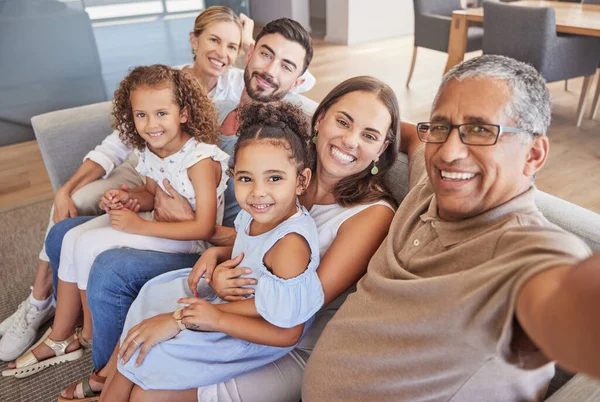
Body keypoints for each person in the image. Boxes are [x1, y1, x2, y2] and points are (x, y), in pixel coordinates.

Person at [51, 74, 407, 402]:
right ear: (322, 116)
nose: (349, 140)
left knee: (151, 385)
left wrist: (185, 317)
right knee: (150, 297)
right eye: (343, 122)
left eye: (369, 135)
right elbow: (254, 241)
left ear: (383, 148)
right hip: (244, 294)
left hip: (285, 335)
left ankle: (121, 380)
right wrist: (217, 256)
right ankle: (111, 379)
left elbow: (291, 310)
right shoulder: (285, 168)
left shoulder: (371, 214)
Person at [39, 17, 321, 401]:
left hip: (204, 245)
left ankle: (108, 371)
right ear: (249, 52)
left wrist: (212, 244)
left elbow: (261, 234)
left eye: (287, 66)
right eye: (266, 54)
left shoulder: (287, 147)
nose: (271, 70)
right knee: (61, 233)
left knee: (111, 269)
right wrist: (139, 197)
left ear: (300, 80)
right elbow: (159, 158)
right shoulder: (211, 105)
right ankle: (64, 327)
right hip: (215, 246)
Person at [302, 55, 600, 401]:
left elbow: (560, 298)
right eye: (441, 127)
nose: (448, 152)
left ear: (533, 154)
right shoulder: (426, 189)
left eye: (480, 131)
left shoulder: (526, 251)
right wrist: (366, 134)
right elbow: (414, 138)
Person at [0, 5, 251, 362]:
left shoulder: (209, 139)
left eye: (232, 45)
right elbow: (146, 183)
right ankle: (47, 311)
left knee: (87, 246)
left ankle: (81, 336)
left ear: (183, 113)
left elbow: (203, 225)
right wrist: (129, 197)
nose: (222, 52)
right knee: (71, 233)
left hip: (184, 227)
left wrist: (137, 220)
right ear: (194, 41)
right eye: (214, 40)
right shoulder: (156, 112)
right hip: (158, 196)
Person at [101, 102, 324, 401]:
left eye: (274, 178)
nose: (258, 192)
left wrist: (205, 318)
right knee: (150, 297)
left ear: (301, 181)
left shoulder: (291, 247)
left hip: (252, 332)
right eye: (246, 178)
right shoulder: (258, 213)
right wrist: (217, 254)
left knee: (153, 353)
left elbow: (286, 333)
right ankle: (110, 389)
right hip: (232, 301)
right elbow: (252, 248)